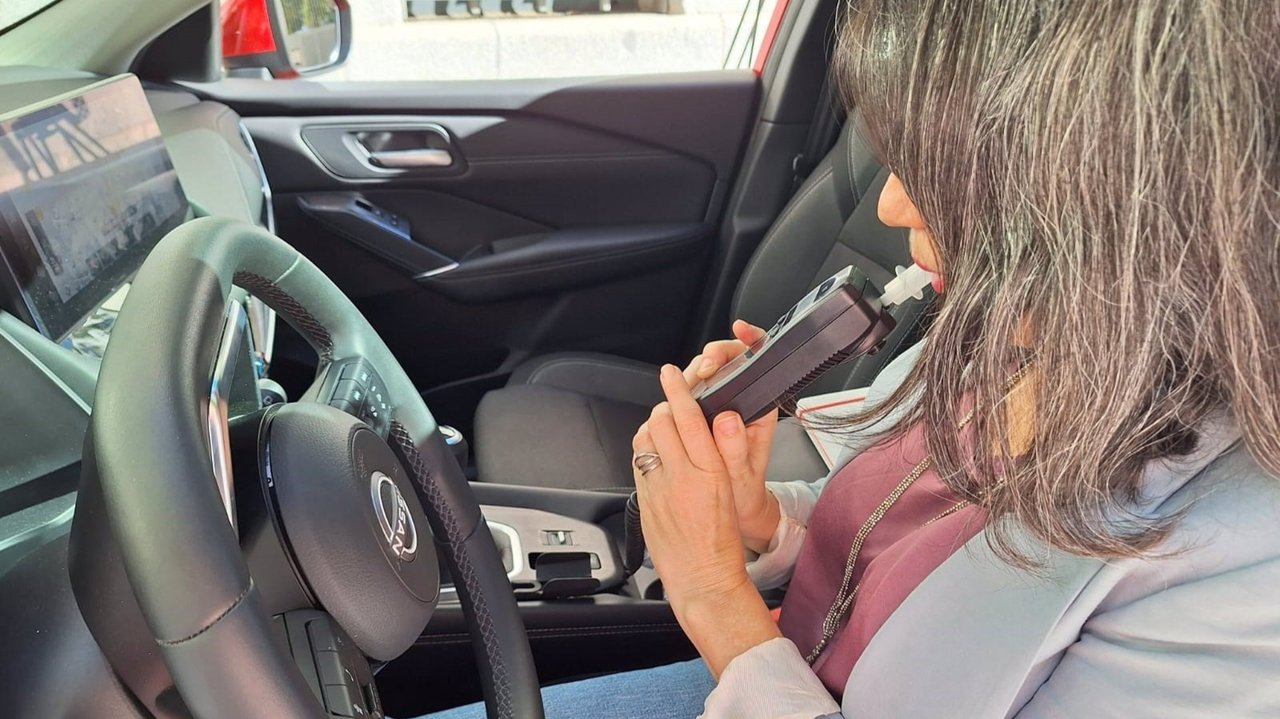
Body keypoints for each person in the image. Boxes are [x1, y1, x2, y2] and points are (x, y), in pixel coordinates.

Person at [426, 0, 1280, 716]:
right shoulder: (1029, 331)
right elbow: (896, 529)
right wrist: (760, 520)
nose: (894, 201)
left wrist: (717, 603)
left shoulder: (1239, 581)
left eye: (948, 175)